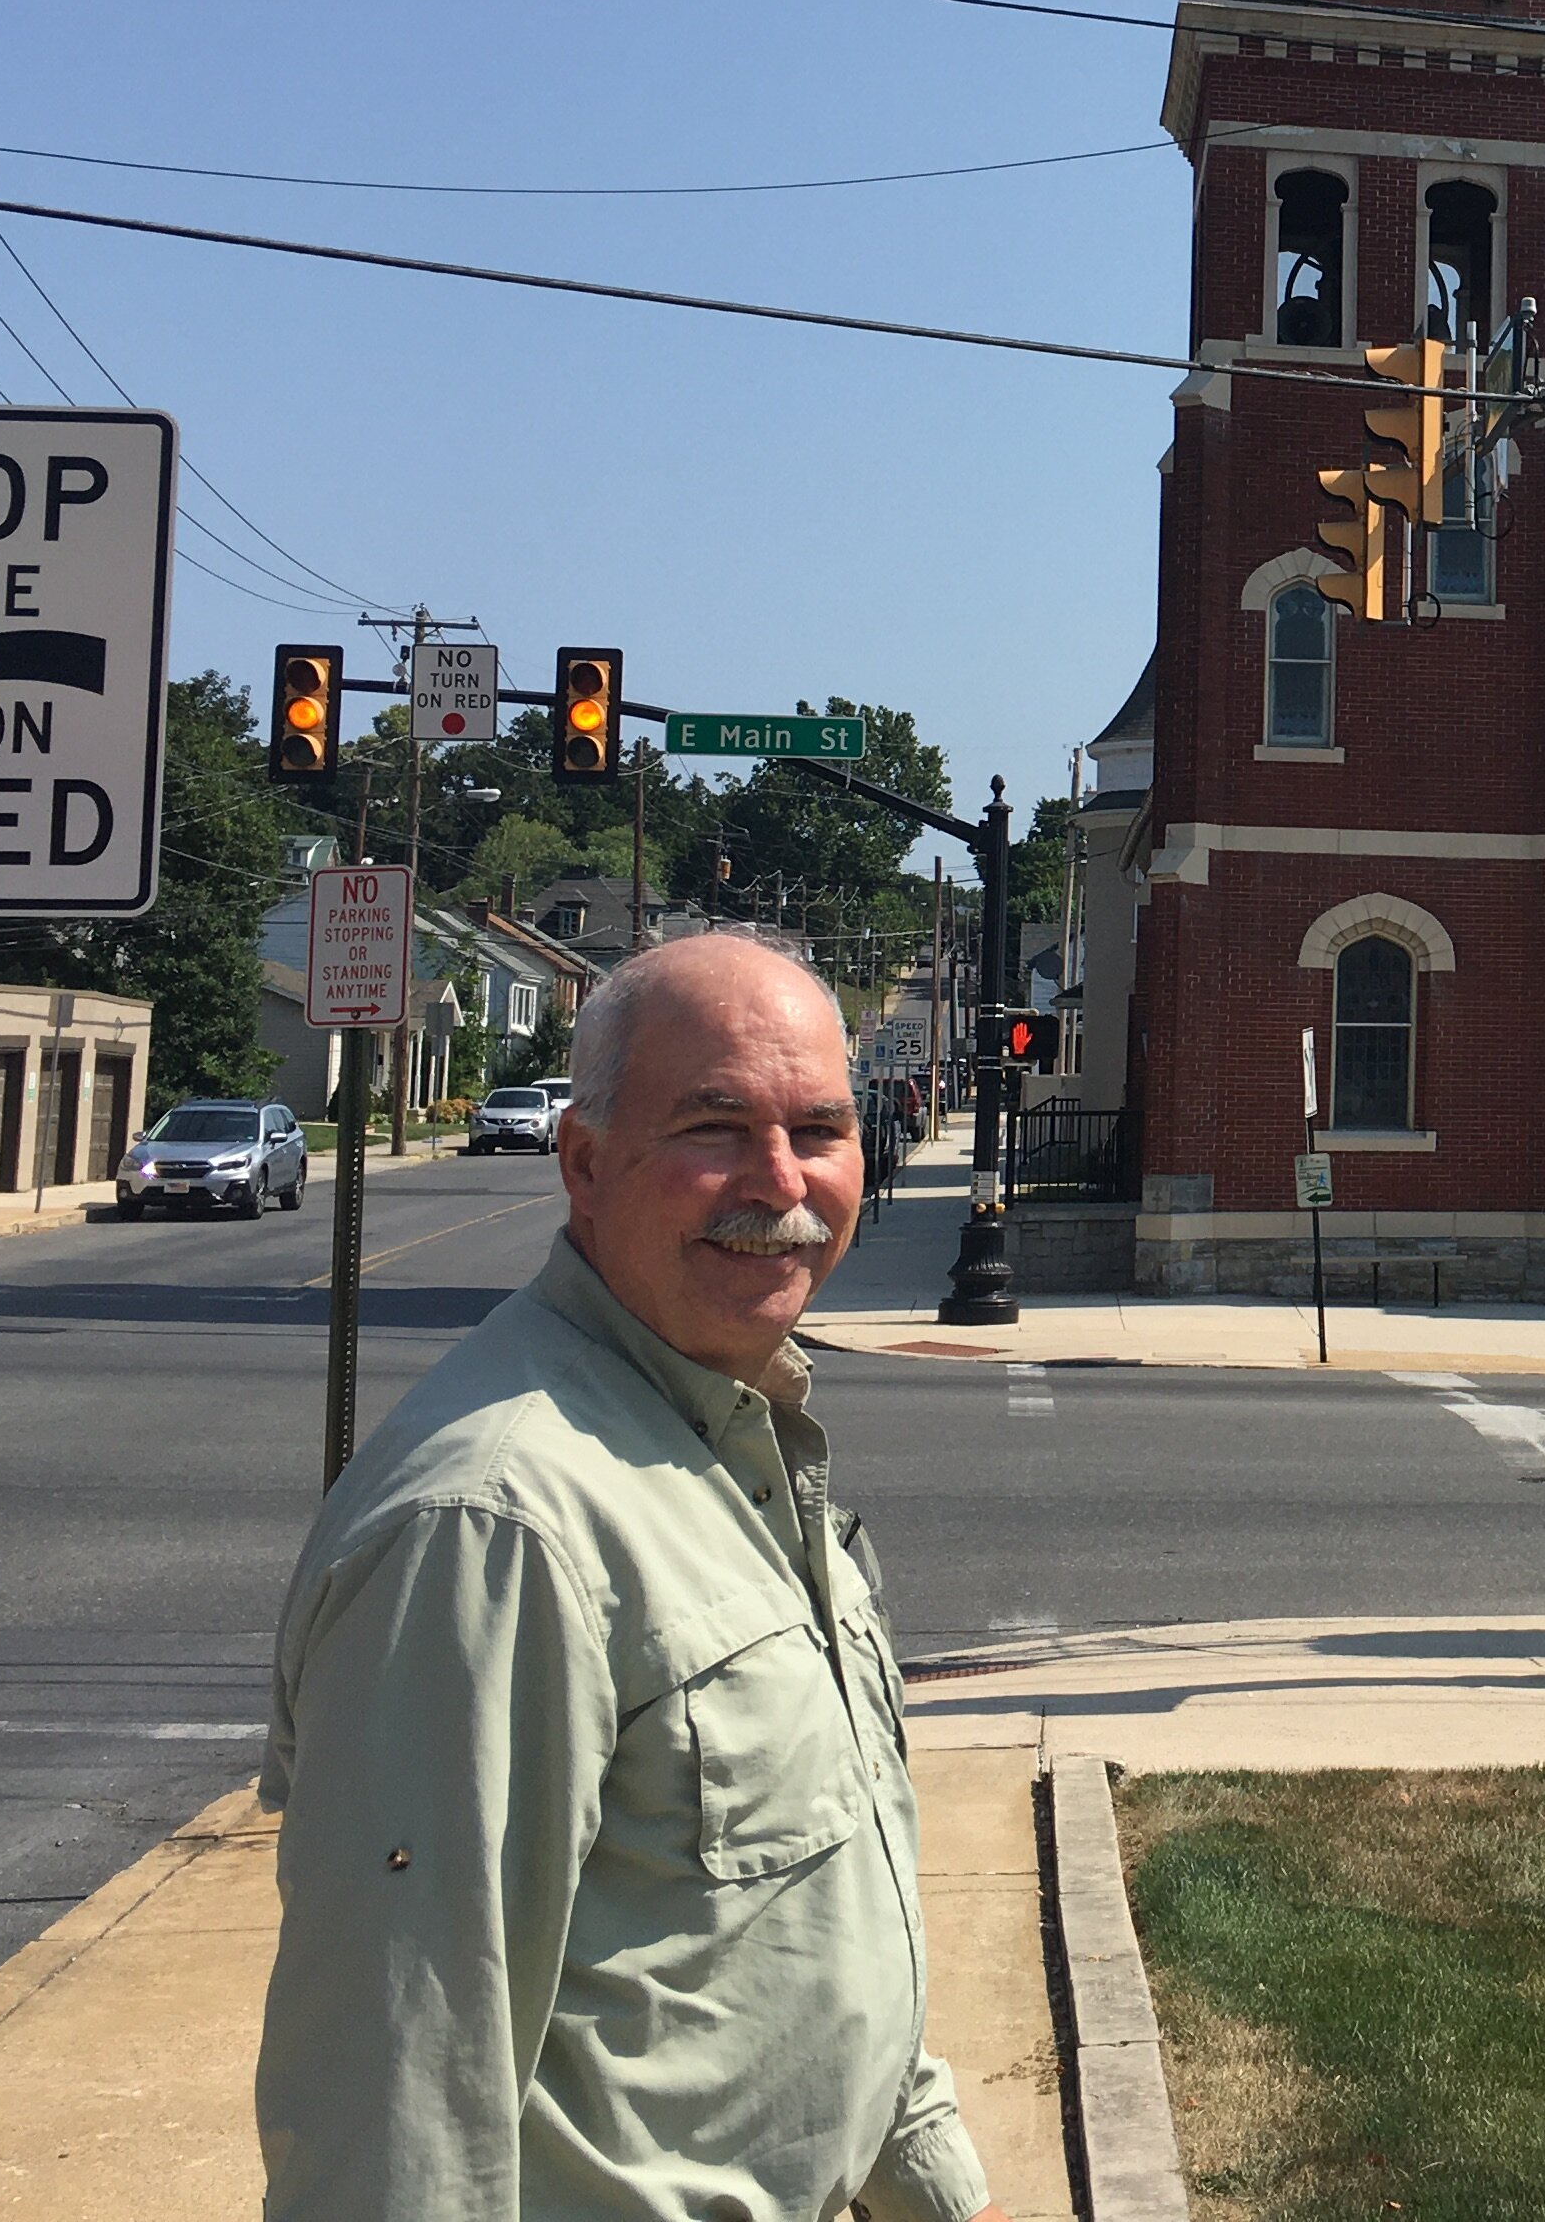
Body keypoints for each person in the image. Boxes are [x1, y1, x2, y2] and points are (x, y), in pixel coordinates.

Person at [257, 931, 999, 2222]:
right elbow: (396, 2124)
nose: (780, 1181)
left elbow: (804, 1936)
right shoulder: (492, 1530)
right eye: (714, 1127)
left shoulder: (726, 1431)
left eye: (819, 1128)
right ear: (586, 1168)